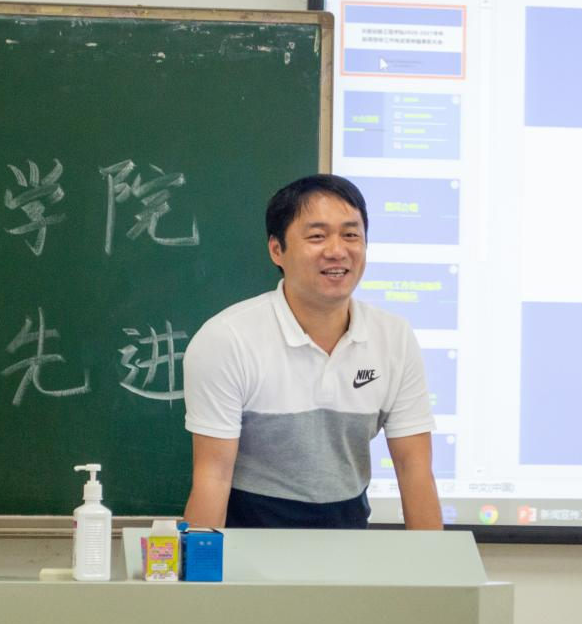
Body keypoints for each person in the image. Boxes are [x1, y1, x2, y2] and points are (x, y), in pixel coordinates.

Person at [181, 173, 442, 529]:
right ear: (277, 250)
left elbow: (414, 470)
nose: (337, 251)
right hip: (249, 544)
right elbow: (213, 476)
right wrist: (200, 564)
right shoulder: (226, 339)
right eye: (317, 236)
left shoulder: (394, 337)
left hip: (349, 542)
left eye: (351, 235)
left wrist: (433, 562)